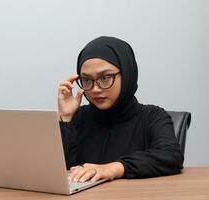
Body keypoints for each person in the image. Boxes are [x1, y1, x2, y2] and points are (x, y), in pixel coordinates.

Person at [57, 36, 183, 183]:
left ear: (127, 74)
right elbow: (58, 169)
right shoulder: (79, 117)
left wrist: (114, 168)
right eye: (87, 80)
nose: (95, 89)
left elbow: (171, 156)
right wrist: (65, 119)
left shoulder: (152, 117)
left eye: (105, 78)